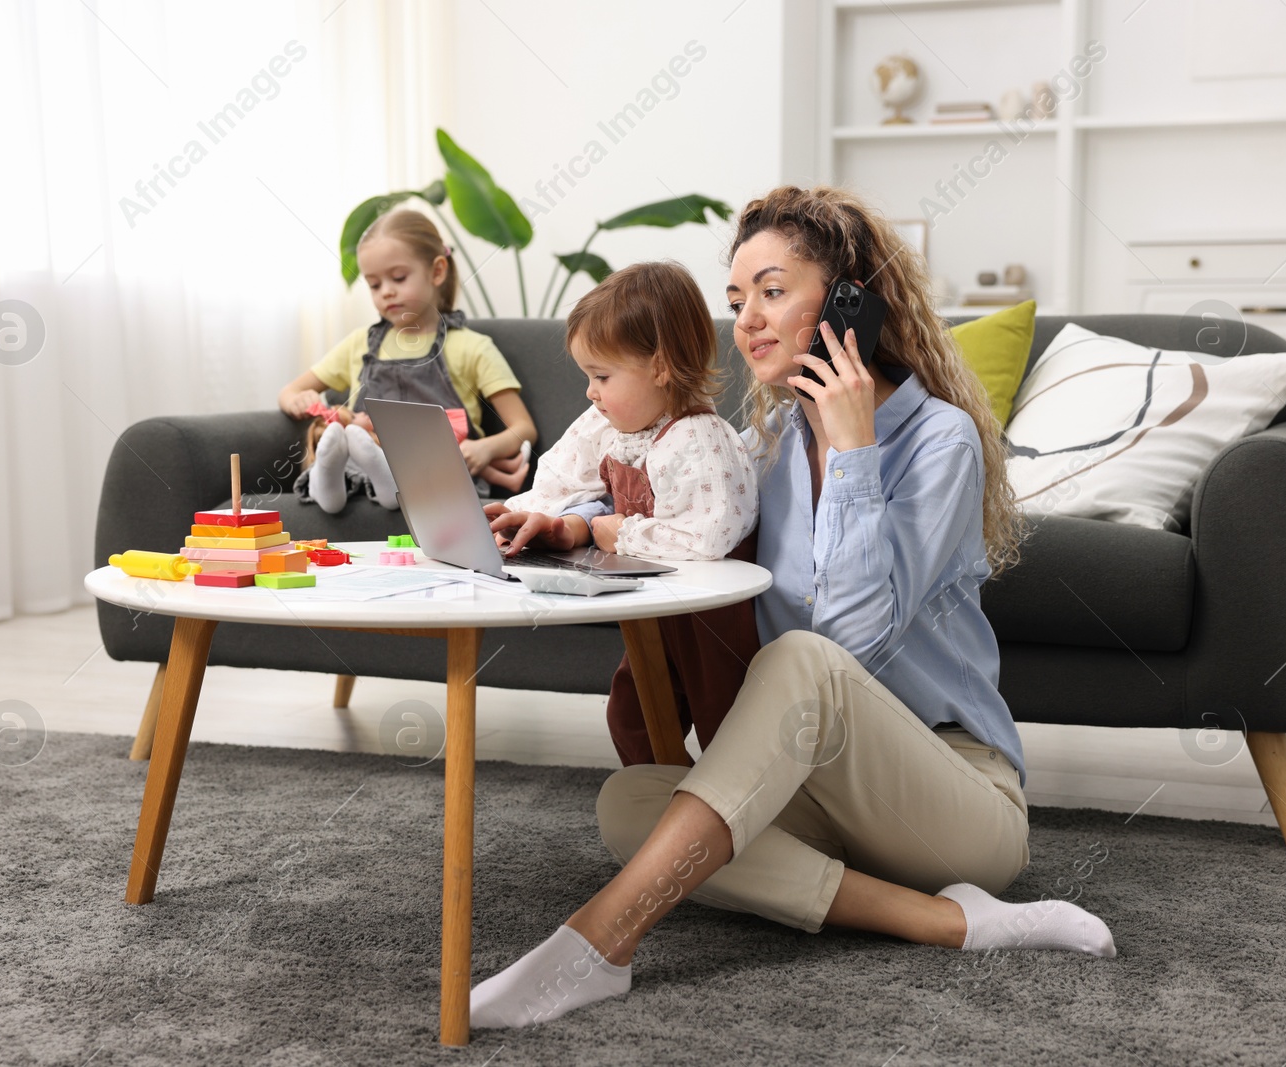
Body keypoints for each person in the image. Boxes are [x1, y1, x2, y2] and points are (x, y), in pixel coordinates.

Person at [468, 186, 1116, 1030]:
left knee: (804, 658)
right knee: (628, 804)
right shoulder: (770, 441)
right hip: (814, 790)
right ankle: (950, 921)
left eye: (772, 291)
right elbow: (686, 518)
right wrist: (569, 520)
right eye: (737, 300)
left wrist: (854, 452)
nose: (746, 321)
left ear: (852, 301)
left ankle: (596, 945)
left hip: (953, 798)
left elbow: (850, 646)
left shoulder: (940, 442)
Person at [482, 260, 756, 562]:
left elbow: (709, 539)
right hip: (644, 589)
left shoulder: (699, 441)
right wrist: (523, 517)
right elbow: (560, 481)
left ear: (661, 368)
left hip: (700, 601)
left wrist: (626, 533)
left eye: (601, 377)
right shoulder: (608, 424)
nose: (590, 392)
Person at [278, 209, 537, 513]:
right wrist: (298, 399)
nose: (386, 291)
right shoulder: (359, 343)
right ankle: (330, 486)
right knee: (347, 441)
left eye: (398, 278)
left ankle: (386, 485)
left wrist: (485, 448)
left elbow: (524, 428)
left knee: (383, 453)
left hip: (436, 471)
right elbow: (290, 392)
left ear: (437, 271)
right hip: (362, 460)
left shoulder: (472, 347)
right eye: (374, 285)